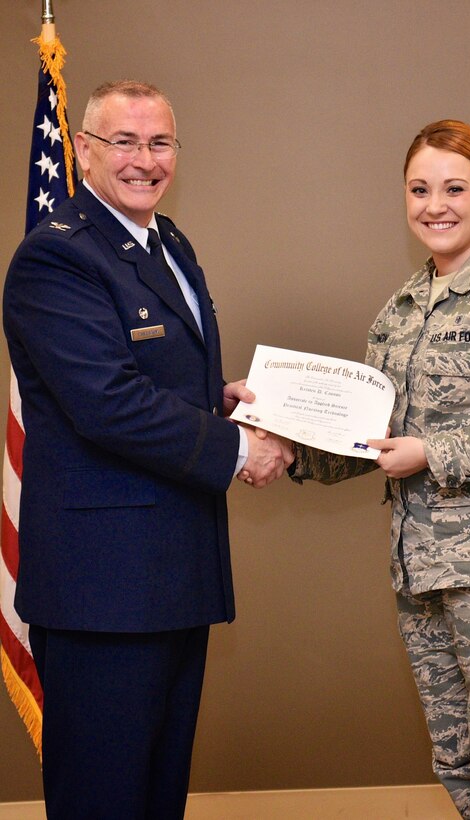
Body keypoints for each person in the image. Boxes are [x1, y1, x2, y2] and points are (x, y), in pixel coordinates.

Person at [3, 80, 292, 819]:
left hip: (168, 577)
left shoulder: (168, 242)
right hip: (102, 591)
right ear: (82, 152)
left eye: (159, 141)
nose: (144, 159)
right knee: (104, 799)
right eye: (122, 141)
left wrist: (214, 395)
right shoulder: (55, 259)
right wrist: (236, 450)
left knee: (157, 797)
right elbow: (107, 403)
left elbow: (148, 376)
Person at [277, 120, 470, 818]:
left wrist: (433, 452)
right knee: (461, 768)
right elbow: (372, 438)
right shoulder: (401, 312)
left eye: (454, 188)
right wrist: (283, 440)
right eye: (419, 189)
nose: (434, 205)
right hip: (425, 578)